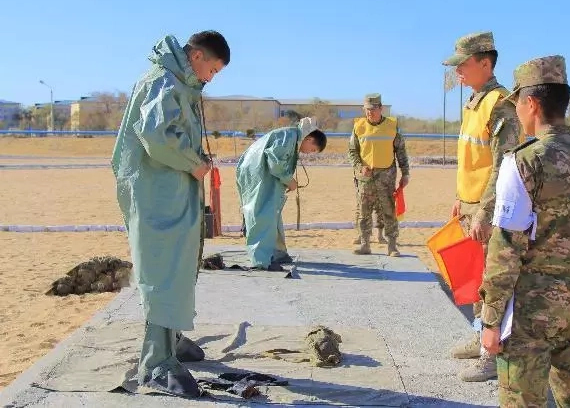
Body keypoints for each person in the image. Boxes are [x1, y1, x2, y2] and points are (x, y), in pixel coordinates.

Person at [480, 55, 570, 407]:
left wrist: (490, 320)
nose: (518, 114)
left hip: (530, 313)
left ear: (532, 103)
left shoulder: (523, 161)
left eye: (518, 104)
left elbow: (506, 248)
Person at [112, 31, 230, 397]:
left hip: (171, 191)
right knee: (164, 273)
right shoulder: (163, 81)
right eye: (212, 68)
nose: (211, 77)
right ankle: (157, 364)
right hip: (157, 196)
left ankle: (171, 339)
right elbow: (155, 134)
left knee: (178, 268)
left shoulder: (178, 83)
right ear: (196, 56)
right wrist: (194, 163)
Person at [442, 31, 524, 381]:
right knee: (475, 277)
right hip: (471, 204)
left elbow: (504, 163)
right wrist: (462, 199)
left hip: (489, 209)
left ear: (485, 63)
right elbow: (472, 159)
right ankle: (479, 338)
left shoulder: (500, 103)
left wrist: (484, 211)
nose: (457, 70)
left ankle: (492, 356)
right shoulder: (475, 101)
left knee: (494, 281)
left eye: (463, 63)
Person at [236, 117, 327, 270]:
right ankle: (260, 261)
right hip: (257, 175)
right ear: (309, 139)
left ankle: (276, 254)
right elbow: (274, 161)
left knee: (272, 213)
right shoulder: (289, 137)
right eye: (312, 150)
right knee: (263, 215)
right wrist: (288, 180)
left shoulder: (291, 138)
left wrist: (286, 180)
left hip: (261, 175)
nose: (309, 153)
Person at [349, 93, 409, 257]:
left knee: (388, 211)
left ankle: (392, 246)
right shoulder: (358, 126)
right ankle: (365, 244)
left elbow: (401, 152)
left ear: (381, 108)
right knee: (364, 212)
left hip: (386, 178)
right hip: (365, 178)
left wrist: (405, 174)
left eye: (373, 109)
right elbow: (353, 151)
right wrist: (360, 166)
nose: (370, 112)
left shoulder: (392, 126)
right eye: (367, 109)